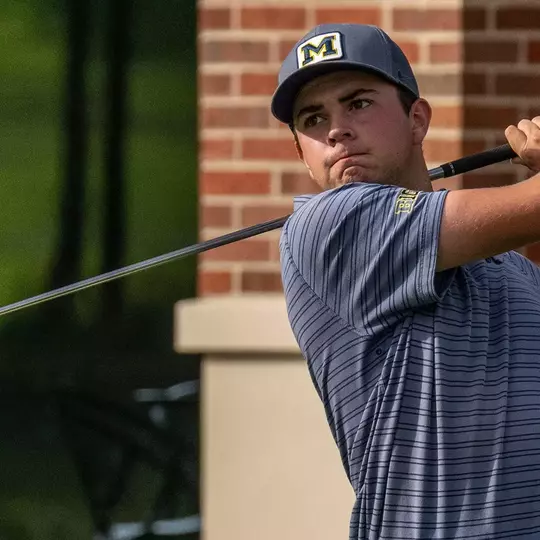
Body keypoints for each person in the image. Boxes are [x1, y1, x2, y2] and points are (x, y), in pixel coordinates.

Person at [271, 23, 540, 539]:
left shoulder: (515, 271)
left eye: (358, 104)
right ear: (301, 155)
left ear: (417, 119)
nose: (336, 130)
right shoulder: (325, 227)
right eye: (313, 118)